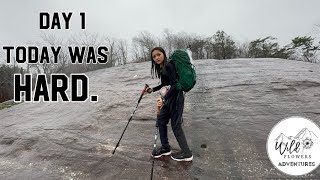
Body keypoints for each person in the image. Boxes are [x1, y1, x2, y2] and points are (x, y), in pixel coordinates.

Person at [143, 47, 193, 162]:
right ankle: (165, 147)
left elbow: (175, 86)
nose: (156, 58)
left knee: (175, 125)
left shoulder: (169, 66)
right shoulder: (162, 68)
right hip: (169, 97)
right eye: (154, 56)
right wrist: (152, 90)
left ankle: (187, 153)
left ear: (164, 54)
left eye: (158, 55)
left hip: (176, 97)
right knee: (161, 120)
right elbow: (165, 84)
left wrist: (164, 98)